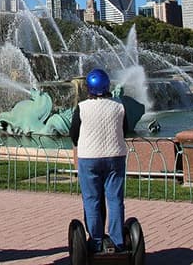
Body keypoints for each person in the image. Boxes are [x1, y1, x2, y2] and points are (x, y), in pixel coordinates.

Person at [68, 68, 129, 254]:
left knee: (92, 199)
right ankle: (117, 241)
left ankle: (95, 241)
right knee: (115, 199)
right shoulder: (119, 106)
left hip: (89, 159)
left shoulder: (82, 107)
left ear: (89, 89)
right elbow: (124, 130)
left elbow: (74, 133)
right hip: (115, 157)